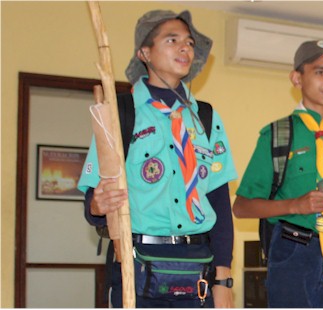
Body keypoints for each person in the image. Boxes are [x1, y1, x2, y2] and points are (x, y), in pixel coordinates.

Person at [78, 10, 237, 308]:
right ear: (145, 53)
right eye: (172, 40)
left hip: (197, 268)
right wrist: (98, 204)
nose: (184, 48)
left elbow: (219, 203)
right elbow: (93, 203)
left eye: (189, 43)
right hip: (137, 264)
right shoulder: (119, 113)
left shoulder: (206, 117)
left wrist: (222, 281)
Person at [232, 40, 323, 307]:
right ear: (296, 78)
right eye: (320, 72)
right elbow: (242, 207)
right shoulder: (277, 135)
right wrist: (295, 205)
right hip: (292, 249)